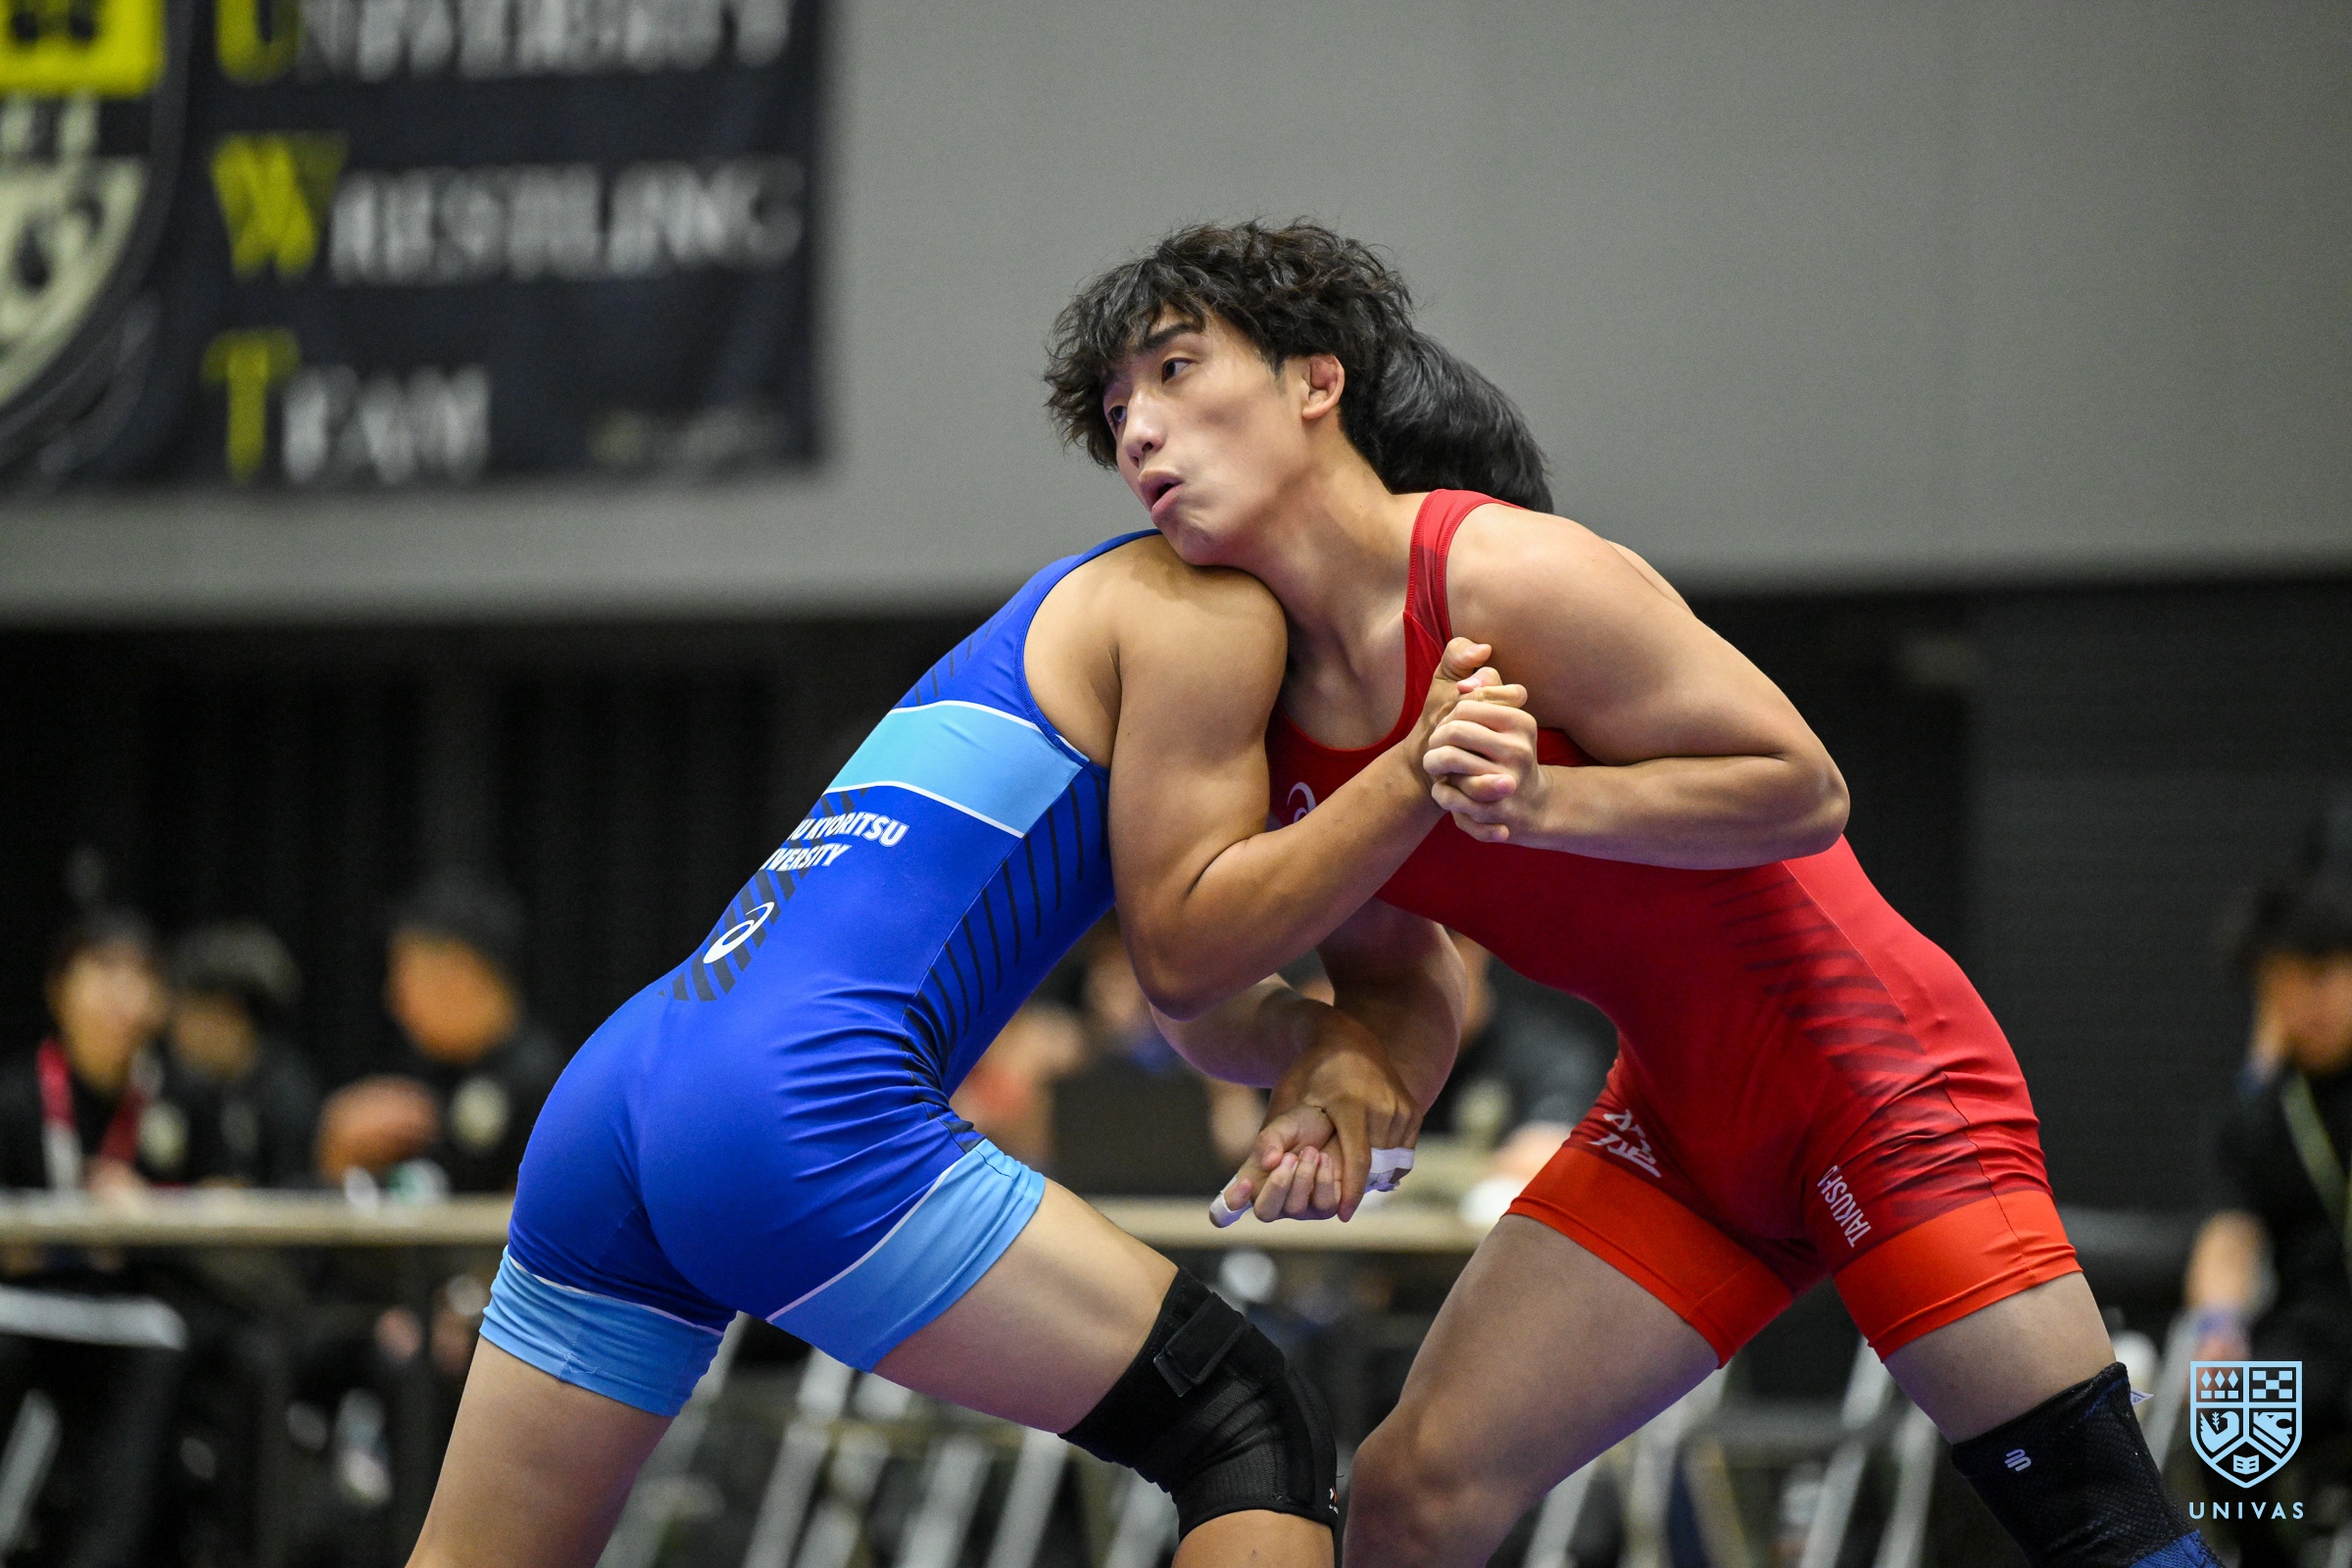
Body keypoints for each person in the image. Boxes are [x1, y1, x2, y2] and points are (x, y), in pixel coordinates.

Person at [1045, 220, 2212, 1568]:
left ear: (1317, 380)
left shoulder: (1501, 574)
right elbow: (1392, 977)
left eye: (1176, 370)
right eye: (1116, 412)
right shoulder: (1280, 719)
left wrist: (1542, 800)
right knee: (1410, 1496)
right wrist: (1343, 1080)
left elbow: (1802, 787)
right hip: (1678, 1130)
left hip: (1873, 1076)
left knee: (2093, 1525)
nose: (1141, 430)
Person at [405, 335, 1541, 1565]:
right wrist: (1401, 797)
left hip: (631, 1079)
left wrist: (1318, 1036)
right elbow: (1185, 959)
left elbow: (1206, 997)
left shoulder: (1108, 604)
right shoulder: (1216, 612)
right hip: (799, 1106)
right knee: (1248, 1427)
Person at [0, 911, 185, 1568]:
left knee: (162, 1356)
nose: (122, 995)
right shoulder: (16, 1096)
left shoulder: (180, 1101)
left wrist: (153, 1211)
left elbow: (226, 1199)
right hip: (22, 1308)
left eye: (140, 977)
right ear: (60, 989)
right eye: (104, 973)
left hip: (127, 1315)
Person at [2183, 861, 2352, 1565]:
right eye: (2280, 983)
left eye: (2319, 976)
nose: (2302, 1002)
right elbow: (2229, 1231)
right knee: (2229, 1416)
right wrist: (2219, 1323)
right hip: (2320, 1333)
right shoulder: (2261, 1113)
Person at [315, 872, 563, 1197]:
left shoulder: (542, 1091)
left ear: (459, 976)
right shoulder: (429, 1074)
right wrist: (341, 1156)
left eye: (404, 977)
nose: (394, 1000)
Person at [164, 920, 320, 1188]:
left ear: (229, 1012)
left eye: (189, 1012)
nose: (176, 1029)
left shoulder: (288, 1100)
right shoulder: (183, 1089)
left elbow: (299, 1194)